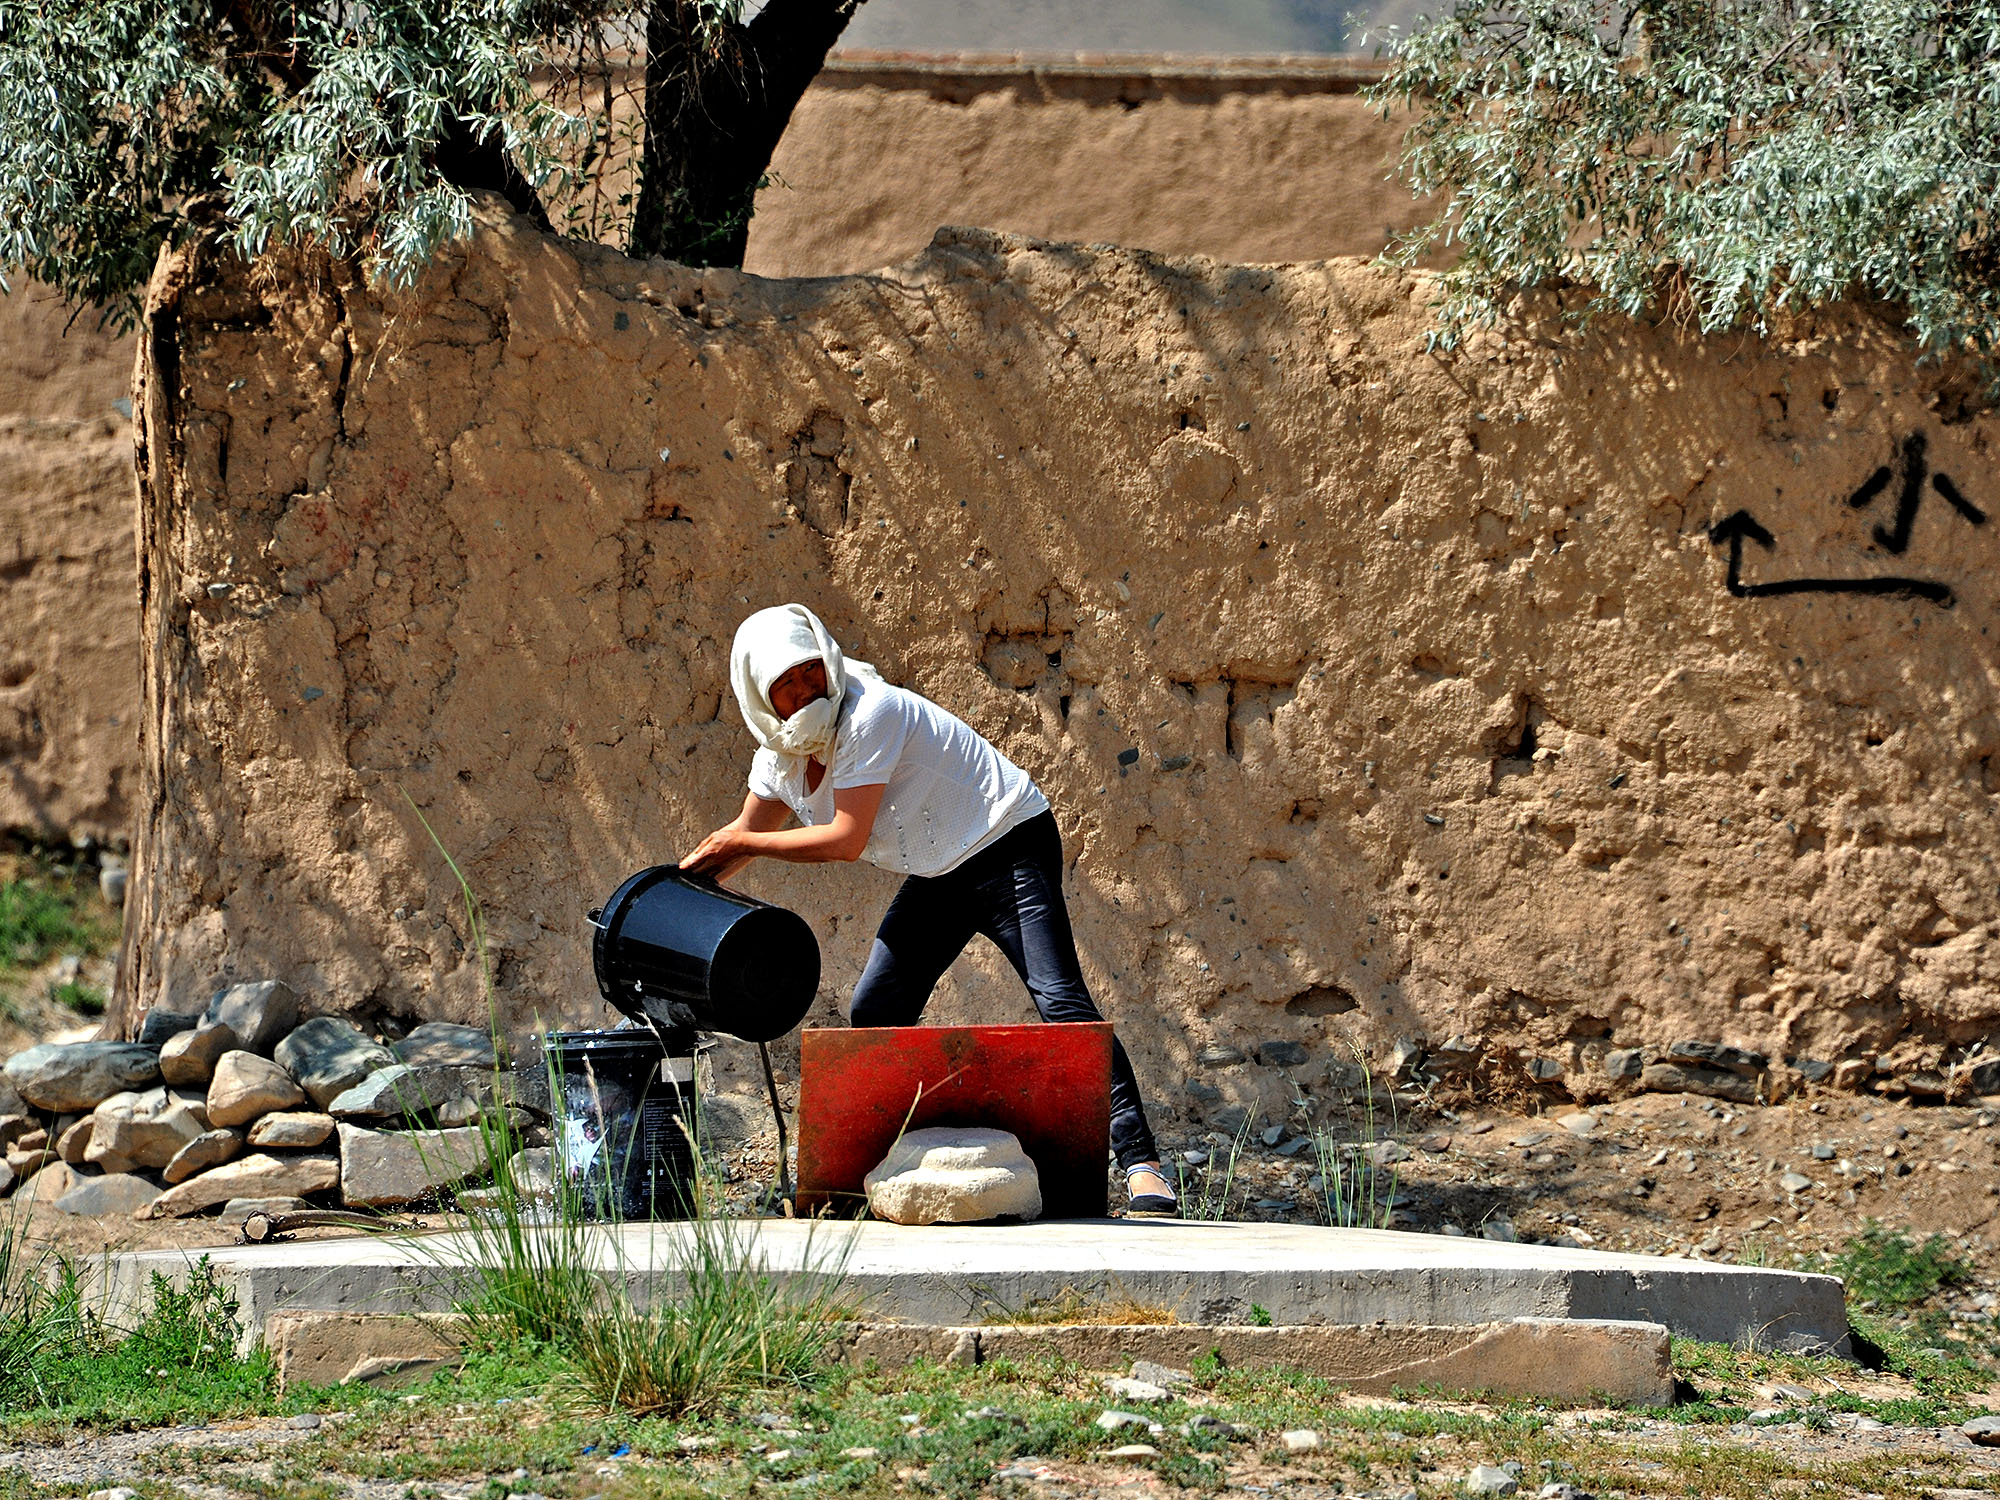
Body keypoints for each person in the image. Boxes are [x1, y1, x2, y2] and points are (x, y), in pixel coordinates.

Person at [681, 602, 1178, 1217]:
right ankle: (867, 1174)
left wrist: (745, 843)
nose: (809, 689)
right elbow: (738, 842)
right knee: (877, 1007)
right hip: (941, 870)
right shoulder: (779, 756)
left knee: (1060, 1000)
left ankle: (1142, 1164)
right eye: (788, 684)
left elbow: (843, 838)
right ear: (760, 696)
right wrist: (674, 893)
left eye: (812, 671)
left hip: (1007, 840)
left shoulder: (868, 712)